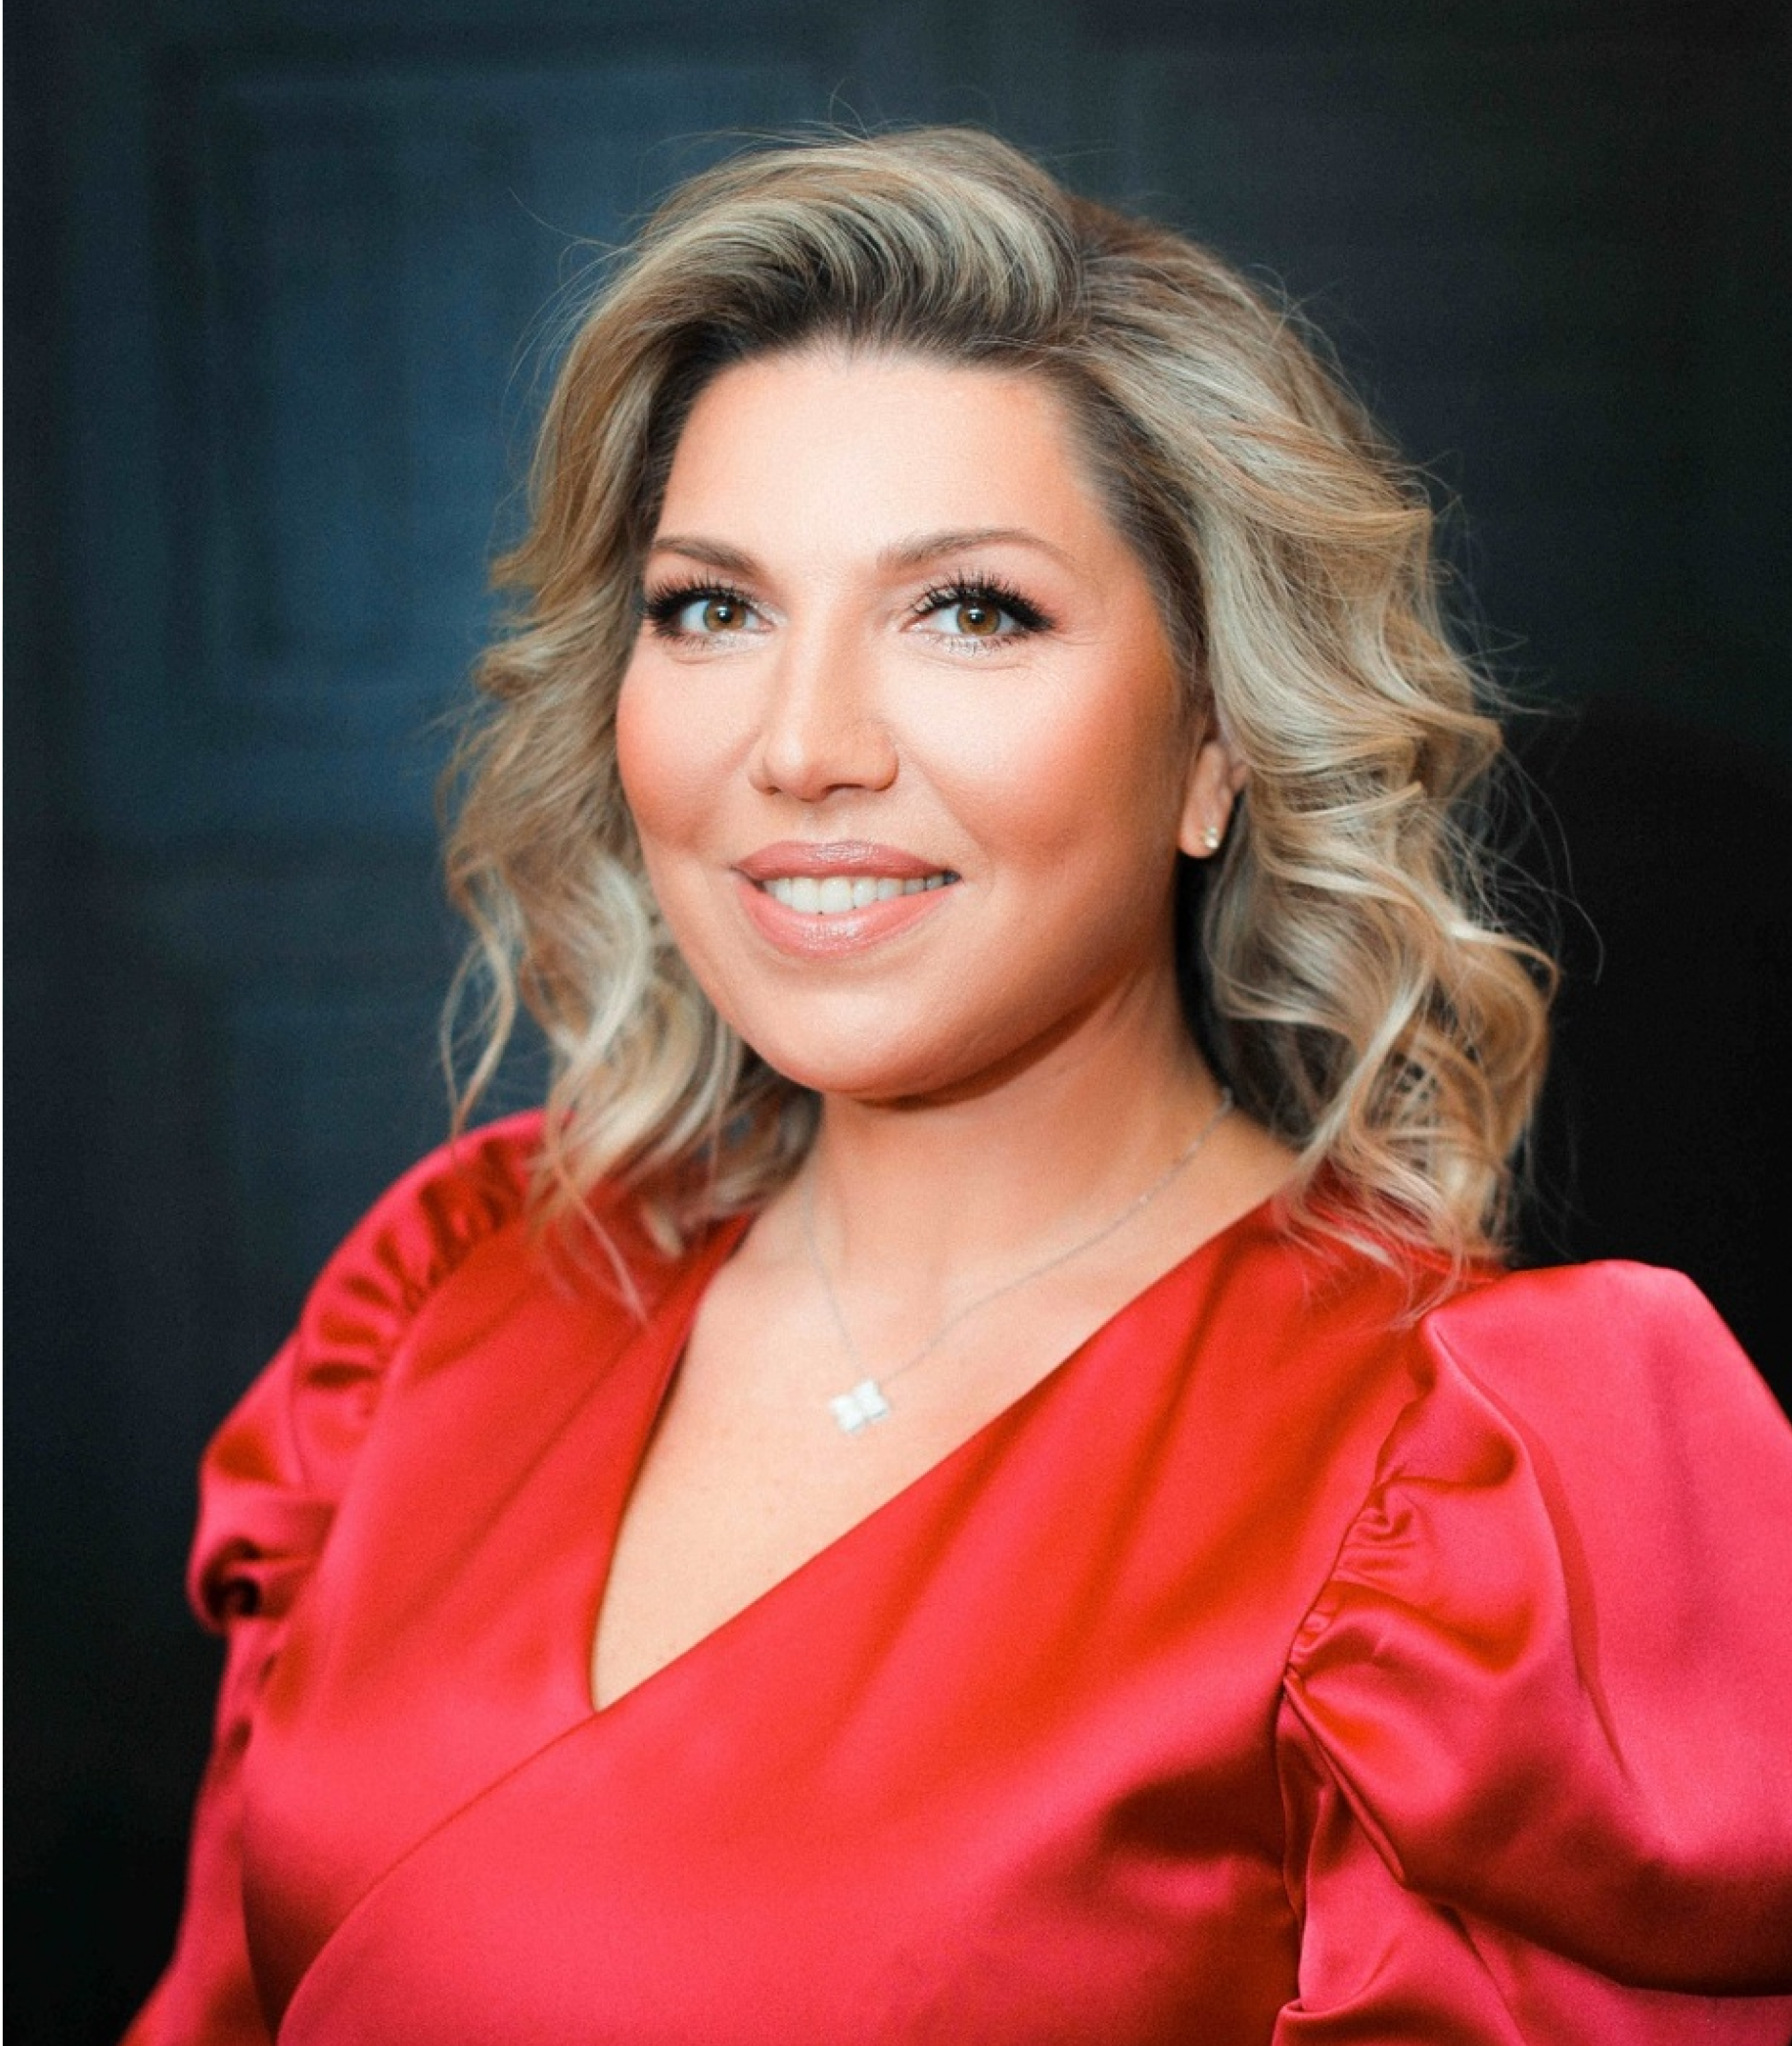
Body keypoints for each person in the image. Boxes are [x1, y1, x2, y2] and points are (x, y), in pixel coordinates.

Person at [125, 128, 1792, 2045]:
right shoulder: (450, 1298)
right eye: (713, 608)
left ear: (1215, 740)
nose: (802, 745)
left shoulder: (1466, 1500)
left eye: (970, 609)